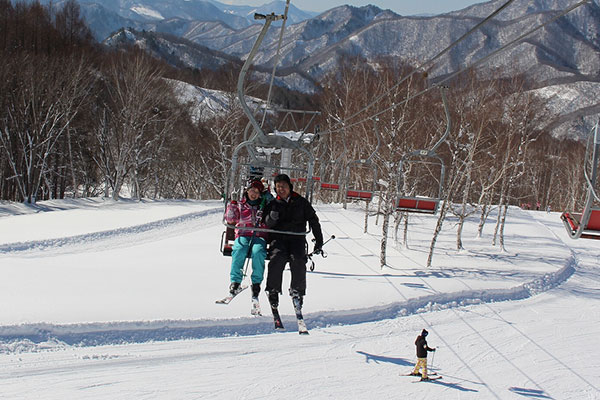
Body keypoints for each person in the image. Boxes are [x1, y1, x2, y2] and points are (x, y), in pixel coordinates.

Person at [263, 173, 323, 315]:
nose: (281, 190)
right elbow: (265, 223)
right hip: (279, 239)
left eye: (283, 186)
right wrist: (271, 218)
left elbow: (314, 220)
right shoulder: (273, 204)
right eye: (278, 187)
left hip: (296, 239)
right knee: (277, 258)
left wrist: (318, 240)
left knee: (298, 260)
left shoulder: (300, 202)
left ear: (289, 187)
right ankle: (273, 290)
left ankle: (297, 291)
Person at [224, 179, 271, 313]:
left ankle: (256, 283)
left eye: (257, 192)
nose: (254, 194)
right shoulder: (240, 205)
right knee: (239, 250)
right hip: (243, 234)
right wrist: (232, 203)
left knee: (258, 252)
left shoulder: (264, 205)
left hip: (259, 235)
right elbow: (231, 219)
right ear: (247, 191)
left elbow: (274, 210)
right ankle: (235, 281)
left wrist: (268, 198)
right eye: (252, 191)